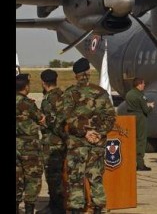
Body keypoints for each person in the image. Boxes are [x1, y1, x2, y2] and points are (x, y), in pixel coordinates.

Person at [62, 57, 116, 214]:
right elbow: (110, 116)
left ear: (76, 75)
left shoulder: (70, 93)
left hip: (78, 143)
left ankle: (77, 209)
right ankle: (99, 208)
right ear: (88, 73)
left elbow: (68, 118)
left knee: (76, 178)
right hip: (96, 144)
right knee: (96, 177)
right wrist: (99, 133)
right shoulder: (100, 93)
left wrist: (85, 132)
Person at [16, 73, 45, 214]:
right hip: (29, 147)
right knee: (32, 178)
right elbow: (41, 118)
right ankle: (28, 209)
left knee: (17, 178)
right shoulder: (28, 103)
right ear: (26, 87)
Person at [39, 69, 66, 213]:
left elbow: (53, 123)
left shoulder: (48, 100)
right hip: (65, 143)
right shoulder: (64, 96)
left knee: (53, 177)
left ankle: (56, 207)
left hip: (53, 144)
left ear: (43, 83)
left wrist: (43, 123)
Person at [125, 77, 155, 171]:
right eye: (143, 84)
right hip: (140, 118)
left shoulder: (129, 94)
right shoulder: (140, 95)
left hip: (131, 118)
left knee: (132, 140)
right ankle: (140, 164)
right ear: (139, 84)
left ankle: (130, 162)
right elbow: (145, 110)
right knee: (141, 141)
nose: (144, 85)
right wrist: (151, 107)